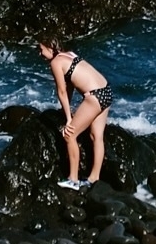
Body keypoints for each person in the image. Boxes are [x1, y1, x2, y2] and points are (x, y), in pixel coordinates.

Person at [38, 37, 113, 190]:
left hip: (94, 96)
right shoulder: (70, 55)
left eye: (41, 50)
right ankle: (94, 178)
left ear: (50, 48)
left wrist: (68, 118)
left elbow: (62, 91)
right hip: (106, 90)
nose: (40, 53)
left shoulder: (55, 62)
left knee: (69, 135)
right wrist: (67, 109)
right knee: (96, 136)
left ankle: (73, 180)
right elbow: (71, 84)